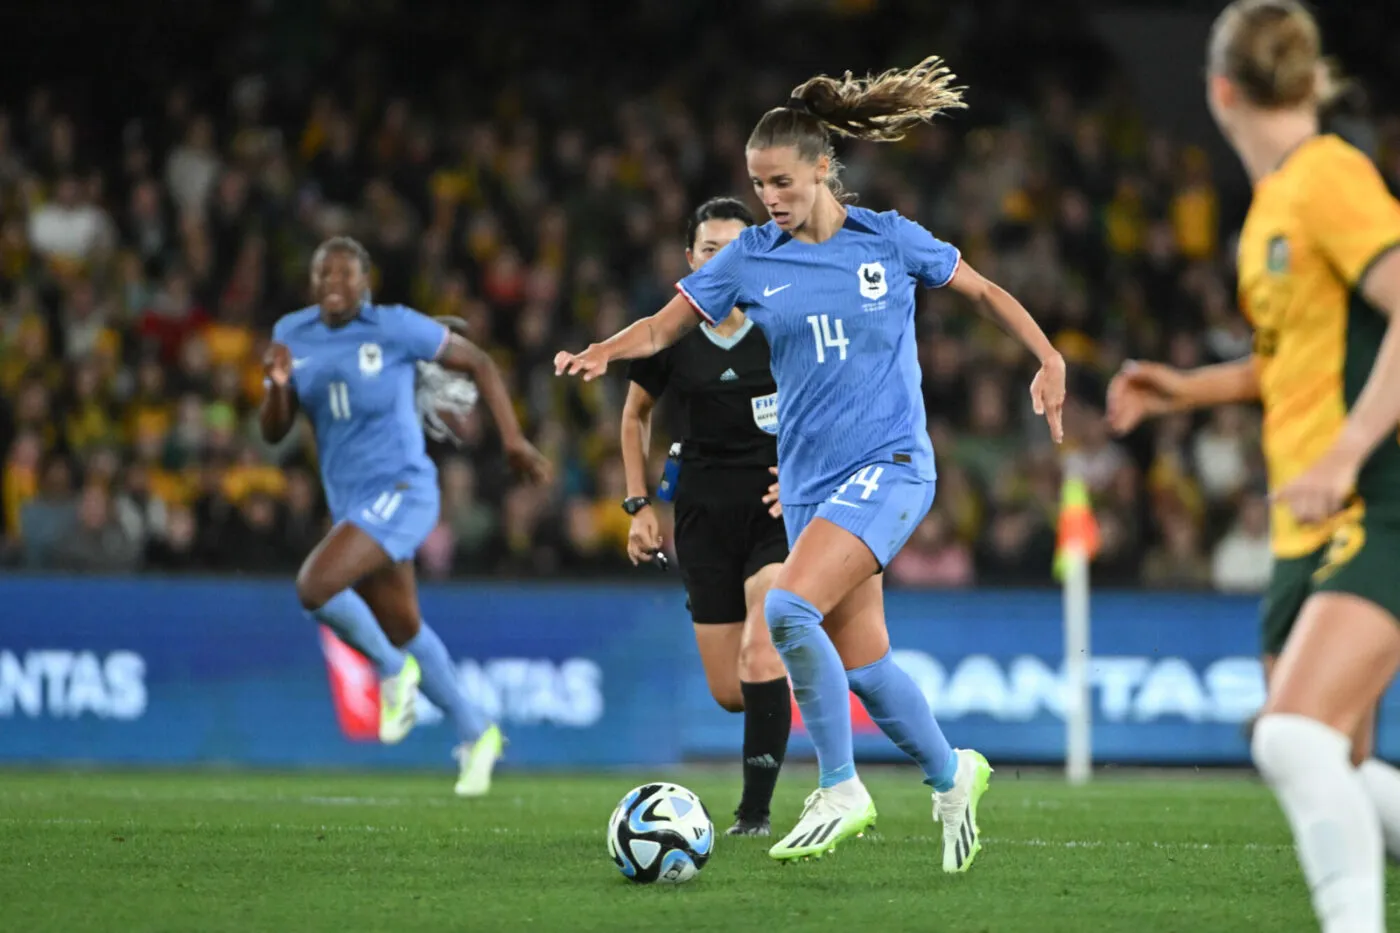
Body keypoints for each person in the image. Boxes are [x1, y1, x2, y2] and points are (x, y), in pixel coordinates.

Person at [556, 56, 1065, 867]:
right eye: (761, 187)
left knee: (788, 611)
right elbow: (660, 328)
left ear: (824, 169)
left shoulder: (890, 239)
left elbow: (982, 292)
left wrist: (1046, 355)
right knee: (866, 663)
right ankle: (952, 771)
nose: (771, 201)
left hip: (893, 464)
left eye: (784, 184)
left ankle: (839, 784)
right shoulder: (750, 258)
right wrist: (602, 351)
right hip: (809, 485)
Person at [1108, 3, 1400, 929]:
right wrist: (1187, 390)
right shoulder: (1271, 206)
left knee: (1291, 736)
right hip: (1304, 519)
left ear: (1219, 91)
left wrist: (1351, 450)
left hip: (1375, 497)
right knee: (1333, 763)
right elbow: (1298, 359)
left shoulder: (1328, 178)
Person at [260, 236, 550, 796]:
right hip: (351, 502)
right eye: (324, 276)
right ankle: (477, 731)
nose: (334, 286)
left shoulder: (393, 326)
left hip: (404, 489)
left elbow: (480, 362)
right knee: (402, 624)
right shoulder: (292, 335)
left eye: (345, 276)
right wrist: (275, 385)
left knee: (314, 586)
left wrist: (512, 440)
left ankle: (392, 674)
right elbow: (273, 429)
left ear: (366, 283)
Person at [621, 196, 791, 837]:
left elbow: (832, 400)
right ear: (689, 262)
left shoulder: (783, 324)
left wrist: (812, 477)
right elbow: (634, 416)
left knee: (761, 645)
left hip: (775, 512)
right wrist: (639, 504)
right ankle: (792, 682)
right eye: (709, 249)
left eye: (737, 248)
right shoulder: (671, 332)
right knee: (730, 690)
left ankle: (754, 816)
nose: (724, 260)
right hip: (699, 518)